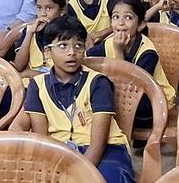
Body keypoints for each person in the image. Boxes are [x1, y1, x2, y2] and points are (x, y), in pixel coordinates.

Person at [24, 17, 135, 183]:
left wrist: (79, 175)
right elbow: (43, 139)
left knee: (109, 176)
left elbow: (98, 144)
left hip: (106, 149)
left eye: (78, 45)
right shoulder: (37, 86)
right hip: (59, 149)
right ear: (47, 52)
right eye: (63, 46)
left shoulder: (98, 82)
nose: (72, 52)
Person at [88, 0, 176, 128]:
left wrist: (118, 51)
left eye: (128, 17)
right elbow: (86, 59)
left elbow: (129, 89)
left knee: (106, 107)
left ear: (140, 25)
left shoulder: (147, 52)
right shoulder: (109, 43)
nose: (120, 23)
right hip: (124, 99)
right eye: (115, 17)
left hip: (153, 102)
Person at [0, 0, 66, 80]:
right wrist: (29, 34)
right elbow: (19, 66)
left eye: (49, 8)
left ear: (61, 10)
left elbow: (66, 69)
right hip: (30, 81)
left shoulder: (67, 31)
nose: (43, 13)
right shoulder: (30, 30)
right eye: (39, 8)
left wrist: (31, 73)